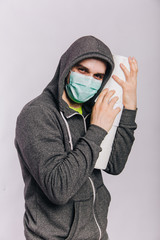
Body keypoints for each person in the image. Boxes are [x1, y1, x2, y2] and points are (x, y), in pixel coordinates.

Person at [15, 35, 138, 240]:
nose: (89, 80)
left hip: (96, 235)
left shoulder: (93, 111)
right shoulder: (37, 115)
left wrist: (130, 107)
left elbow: (114, 165)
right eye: (82, 70)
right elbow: (59, 189)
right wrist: (98, 129)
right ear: (67, 67)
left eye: (98, 76)